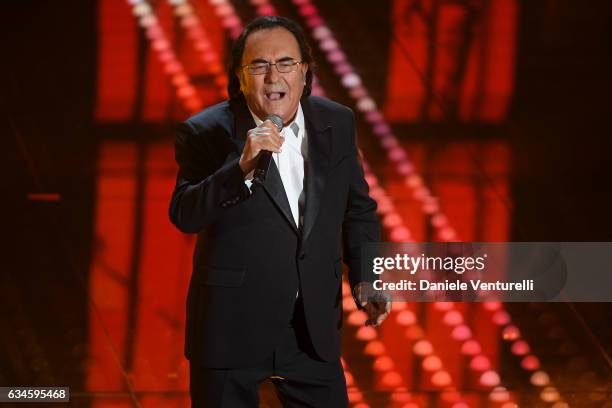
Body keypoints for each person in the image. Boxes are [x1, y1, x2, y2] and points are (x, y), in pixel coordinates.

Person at [169, 15, 390, 407]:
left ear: (305, 72)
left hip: (311, 329)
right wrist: (240, 168)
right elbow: (185, 214)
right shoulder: (204, 132)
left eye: (285, 63)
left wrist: (366, 275)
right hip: (231, 327)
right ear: (239, 78)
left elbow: (358, 209)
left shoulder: (336, 123)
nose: (274, 77)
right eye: (258, 65)